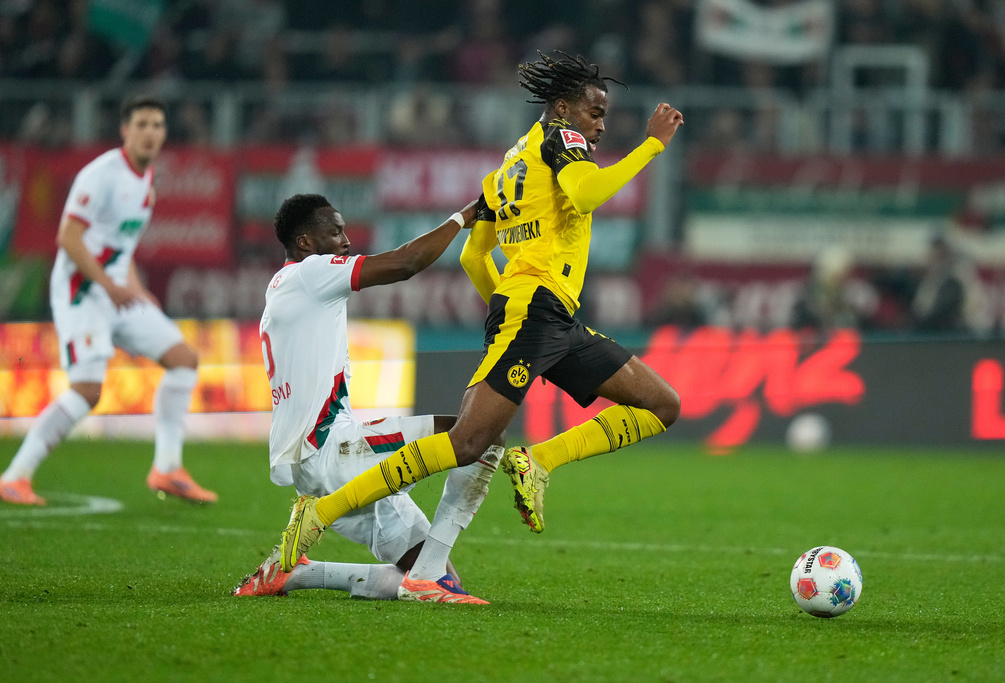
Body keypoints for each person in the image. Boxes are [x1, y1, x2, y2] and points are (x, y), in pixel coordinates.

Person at [274, 51, 683, 572]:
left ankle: (539, 461)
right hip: (534, 311)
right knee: (468, 441)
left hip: (546, 315)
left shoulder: (507, 167)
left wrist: (507, 305)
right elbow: (585, 194)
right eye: (595, 112)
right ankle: (319, 514)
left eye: (603, 116)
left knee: (660, 404)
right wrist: (652, 144)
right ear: (562, 108)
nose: (601, 126)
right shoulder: (563, 140)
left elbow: (473, 255)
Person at [233, 193, 500, 604]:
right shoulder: (311, 273)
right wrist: (462, 217)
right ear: (305, 242)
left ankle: (292, 574)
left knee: (437, 577)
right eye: (335, 231)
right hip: (334, 450)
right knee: (480, 434)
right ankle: (422, 577)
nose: (345, 240)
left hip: (317, 462)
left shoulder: (287, 287)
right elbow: (406, 262)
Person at [0, 95, 216, 506]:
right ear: (125, 130)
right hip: (82, 291)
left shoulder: (146, 181)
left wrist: (134, 287)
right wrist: (110, 285)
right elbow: (68, 238)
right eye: (142, 125)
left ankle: (167, 467)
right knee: (87, 390)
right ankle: (14, 476)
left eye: (157, 125)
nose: (151, 133)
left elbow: (121, 247)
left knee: (184, 358)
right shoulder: (100, 175)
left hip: (117, 291)